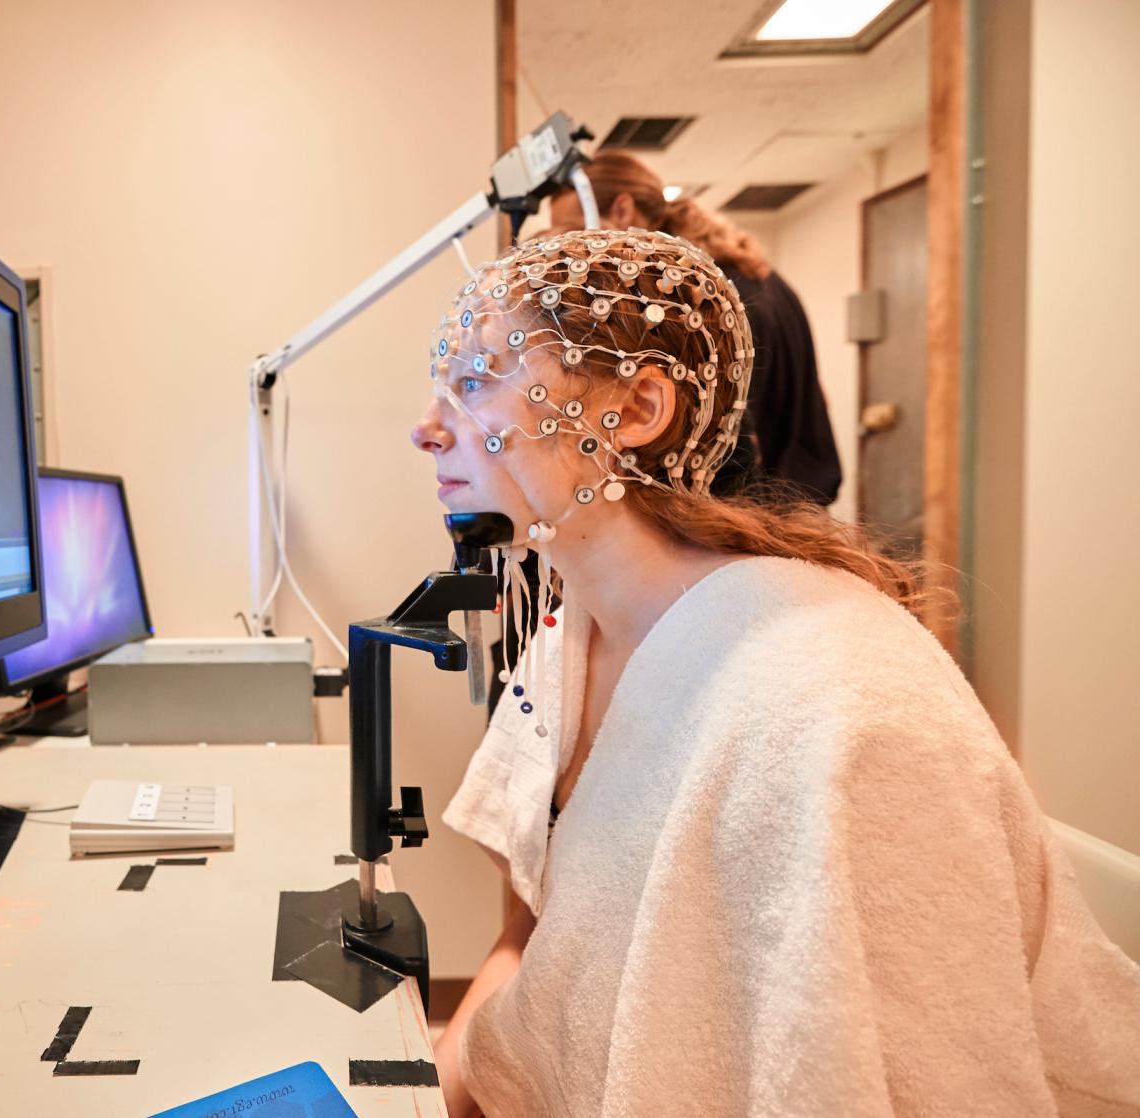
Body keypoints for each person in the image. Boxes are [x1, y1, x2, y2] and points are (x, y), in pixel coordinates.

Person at [410, 228, 1140, 1116]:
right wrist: (426, 1093)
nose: (429, 426)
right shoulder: (571, 640)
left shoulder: (832, 705)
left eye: (476, 378)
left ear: (638, 410)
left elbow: (895, 1072)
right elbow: (529, 941)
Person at [551, 150, 843, 505]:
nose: (570, 250)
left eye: (571, 230)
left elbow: (723, 442)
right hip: (802, 498)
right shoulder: (759, 278)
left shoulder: (698, 303)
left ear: (622, 210)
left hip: (761, 513)